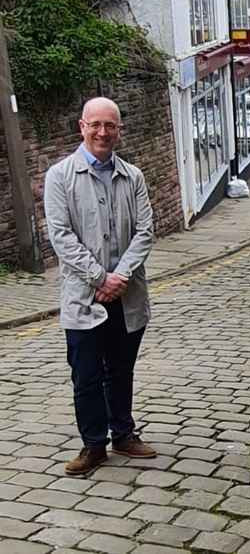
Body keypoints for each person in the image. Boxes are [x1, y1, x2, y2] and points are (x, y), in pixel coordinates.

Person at [44, 97, 156, 476]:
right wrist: (100, 278)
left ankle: (123, 433)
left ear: (119, 130)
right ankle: (94, 445)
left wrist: (119, 277)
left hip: (127, 296)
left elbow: (144, 232)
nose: (103, 132)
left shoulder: (134, 177)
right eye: (96, 125)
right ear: (82, 127)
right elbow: (61, 236)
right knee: (86, 375)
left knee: (121, 370)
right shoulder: (60, 176)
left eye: (111, 126)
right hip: (83, 298)